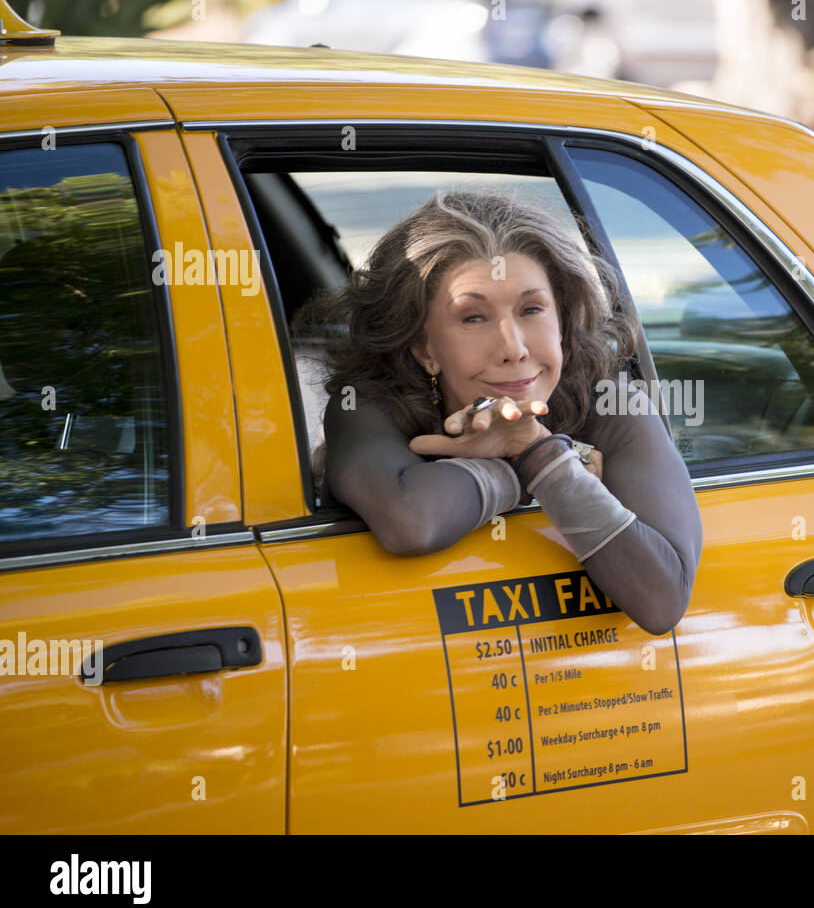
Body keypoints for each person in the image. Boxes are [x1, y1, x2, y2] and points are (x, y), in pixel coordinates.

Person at [292, 188, 701, 636]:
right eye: (473, 318)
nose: (513, 348)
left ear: (562, 321)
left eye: (531, 310)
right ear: (423, 347)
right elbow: (410, 523)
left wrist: (535, 449)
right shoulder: (365, 405)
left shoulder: (609, 404)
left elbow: (661, 601)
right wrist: (533, 466)